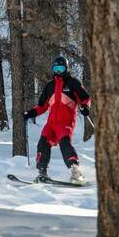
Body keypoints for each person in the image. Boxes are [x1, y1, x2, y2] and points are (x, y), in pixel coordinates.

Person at [23, 56, 91, 184]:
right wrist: (31, 113)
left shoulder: (73, 83)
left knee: (64, 143)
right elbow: (42, 106)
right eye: (56, 68)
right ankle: (42, 172)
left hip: (65, 122)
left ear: (66, 69)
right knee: (43, 143)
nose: (58, 71)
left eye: (61, 68)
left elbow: (85, 99)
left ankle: (76, 171)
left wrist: (85, 107)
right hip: (51, 124)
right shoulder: (50, 86)